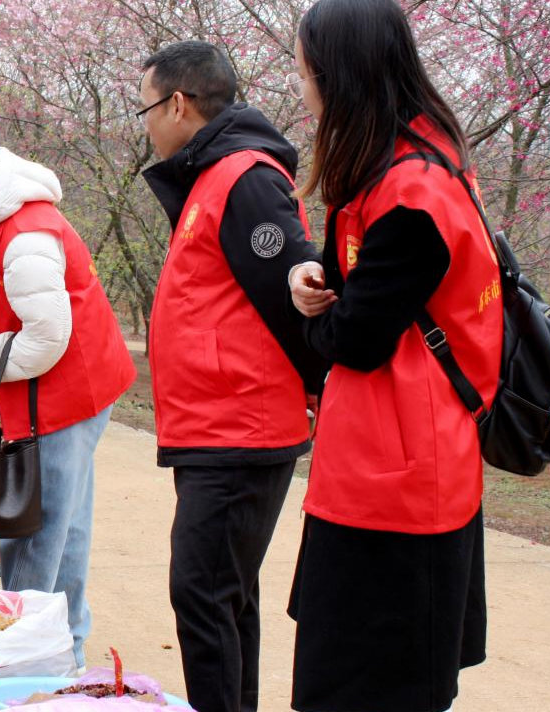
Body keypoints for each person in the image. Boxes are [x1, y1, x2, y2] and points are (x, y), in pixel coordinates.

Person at [285, 2, 502, 710]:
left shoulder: (412, 192)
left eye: (306, 70)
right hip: (379, 461)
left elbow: (357, 338)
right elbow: (349, 296)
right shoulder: (400, 164)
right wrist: (317, 290)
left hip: (400, 483)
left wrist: (320, 318)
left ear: (339, 74)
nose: (302, 85)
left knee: (368, 685)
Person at [136, 41, 329, 712]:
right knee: (224, 594)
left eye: (148, 109)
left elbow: (293, 289)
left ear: (179, 104)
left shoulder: (243, 175)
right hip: (216, 426)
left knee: (202, 592)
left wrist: (319, 389)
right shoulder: (211, 177)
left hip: (240, 428)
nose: (148, 126)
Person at [0, 107, 135, 666]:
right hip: (51, 396)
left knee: (34, 536)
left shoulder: (25, 232)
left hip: (66, 396)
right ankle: (64, 655)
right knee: (64, 530)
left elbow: (47, 336)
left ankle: (26, 663)